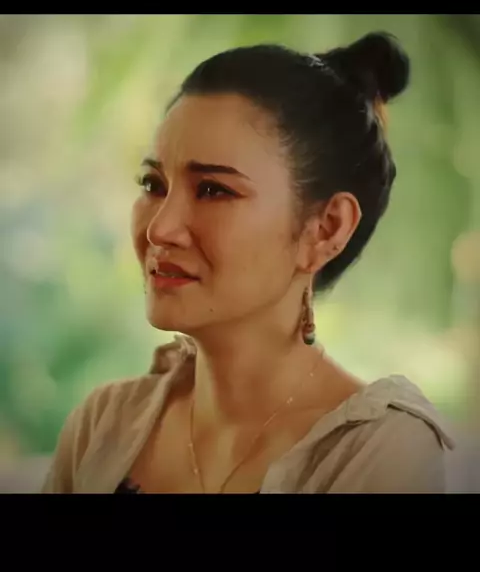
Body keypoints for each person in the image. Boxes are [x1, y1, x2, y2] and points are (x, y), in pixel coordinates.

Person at [42, 32, 455, 494]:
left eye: (213, 190)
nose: (160, 229)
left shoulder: (378, 450)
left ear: (326, 229)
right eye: (153, 185)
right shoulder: (102, 425)